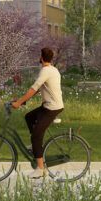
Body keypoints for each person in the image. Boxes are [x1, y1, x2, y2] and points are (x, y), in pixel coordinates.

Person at [11, 46, 64, 181]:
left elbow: (34, 88)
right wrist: (22, 100)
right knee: (29, 117)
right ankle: (35, 147)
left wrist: (19, 103)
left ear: (41, 58)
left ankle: (40, 169)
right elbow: (44, 88)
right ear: (51, 58)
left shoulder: (45, 71)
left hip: (52, 108)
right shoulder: (53, 69)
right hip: (49, 105)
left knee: (36, 136)